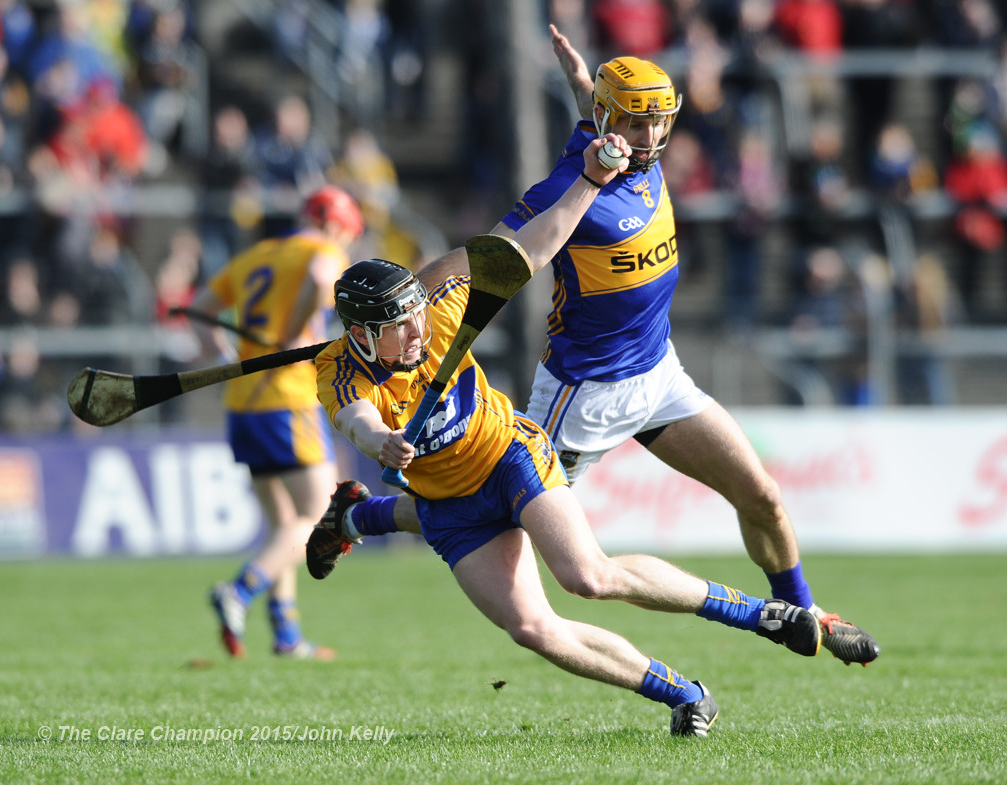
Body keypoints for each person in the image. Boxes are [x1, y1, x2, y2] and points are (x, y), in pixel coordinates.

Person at [313, 26, 880, 667]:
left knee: (763, 497)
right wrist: (400, 306)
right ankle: (361, 518)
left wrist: (585, 85)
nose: (652, 139)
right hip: (583, 395)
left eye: (661, 123)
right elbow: (484, 258)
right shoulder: (571, 185)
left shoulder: (632, 146)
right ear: (610, 123)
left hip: (661, 373)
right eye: (638, 125)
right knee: (487, 509)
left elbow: (609, 118)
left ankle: (808, 614)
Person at [307, 135, 824, 738]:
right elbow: (356, 421)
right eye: (400, 327)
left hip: (508, 457)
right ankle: (686, 694)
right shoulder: (337, 371)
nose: (418, 331)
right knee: (532, 629)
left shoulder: (442, 315)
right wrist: (381, 442)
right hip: (450, 506)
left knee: (588, 576)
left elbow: (534, 246)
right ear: (365, 337)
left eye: (418, 315)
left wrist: (590, 179)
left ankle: (760, 614)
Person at [191, 185, 364, 661]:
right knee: (315, 516)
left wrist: (220, 352)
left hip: (243, 400)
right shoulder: (322, 248)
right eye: (347, 237)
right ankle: (239, 592)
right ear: (333, 226)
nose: (344, 247)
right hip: (287, 399)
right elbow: (319, 273)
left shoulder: (258, 254)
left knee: (283, 527)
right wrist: (294, 333)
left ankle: (286, 636)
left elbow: (201, 305)